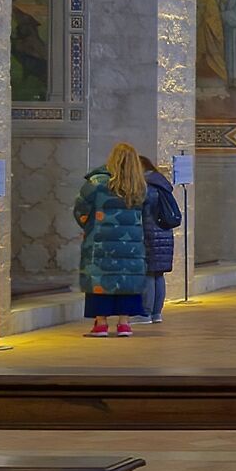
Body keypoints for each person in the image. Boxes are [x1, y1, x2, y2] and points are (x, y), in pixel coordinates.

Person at [74, 142, 151, 337]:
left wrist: (89, 226)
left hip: (101, 243)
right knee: (127, 282)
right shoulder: (140, 186)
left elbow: (80, 210)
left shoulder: (96, 183)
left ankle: (101, 324)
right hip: (131, 244)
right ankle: (124, 324)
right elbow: (146, 214)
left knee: (100, 279)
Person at [141, 156, 184, 324]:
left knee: (148, 273)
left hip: (150, 233)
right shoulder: (162, 183)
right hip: (164, 233)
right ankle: (157, 313)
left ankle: (145, 313)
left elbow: (142, 209)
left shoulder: (147, 185)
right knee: (158, 274)